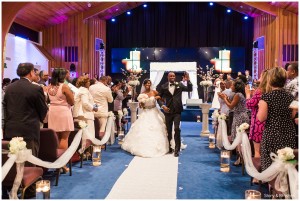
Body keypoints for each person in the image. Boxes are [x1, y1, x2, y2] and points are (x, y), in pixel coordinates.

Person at [3, 63, 48, 157]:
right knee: (30, 160)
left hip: (11, 129)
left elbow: (5, 108)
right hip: (29, 129)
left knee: (13, 160)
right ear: (31, 72)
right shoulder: (36, 89)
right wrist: (40, 119)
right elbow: (42, 109)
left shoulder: (9, 88)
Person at [257, 67, 296, 171]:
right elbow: (292, 116)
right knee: (285, 162)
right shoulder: (290, 97)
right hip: (288, 132)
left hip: (272, 133)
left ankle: (273, 186)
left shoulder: (266, 97)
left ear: (270, 79)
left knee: (271, 163)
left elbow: (261, 118)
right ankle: (284, 185)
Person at [121, 79, 169, 157]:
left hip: (154, 111)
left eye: (149, 83)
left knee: (159, 126)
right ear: (144, 85)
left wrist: (161, 101)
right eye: (146, 83)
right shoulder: (142, 94)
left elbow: (161, 100)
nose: (148, 85)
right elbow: (141, 106)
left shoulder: (154, 92)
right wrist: (142, 104)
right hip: (146, 112)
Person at [158, 72, 193, 157]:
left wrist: (188, 80)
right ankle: (169, 147)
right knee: (169, 130)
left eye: (173, 76)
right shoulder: (163, 86)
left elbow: (189, 89)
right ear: (168, 77)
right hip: (168, 111)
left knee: (177, 129)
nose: (172, 77)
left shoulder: (179, 85)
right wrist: (163, 106)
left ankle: (177, 149)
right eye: (171, 76)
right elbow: (158, 98)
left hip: (177, 111)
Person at [47, 68, 74, 173]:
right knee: (64, 138)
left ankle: (57, 161)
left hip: (53, 111)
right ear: (62, 76)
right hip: (63, 111)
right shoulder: (64, 86)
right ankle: (62, 164)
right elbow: (72, 101)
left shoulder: (49, 87)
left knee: (56, 138)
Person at [219, 79, 250, 165]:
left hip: (240, 116)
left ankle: (241, 158)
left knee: (239, 138)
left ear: (236, 87)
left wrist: (224, 98)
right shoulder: (239, 94)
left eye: (232, 85)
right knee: (238, 138)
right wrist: (226, 98)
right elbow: (232, 104)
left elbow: (231, 106)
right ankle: (240, 158)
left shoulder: (237, 95)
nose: (231, 87)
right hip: (239, 115)